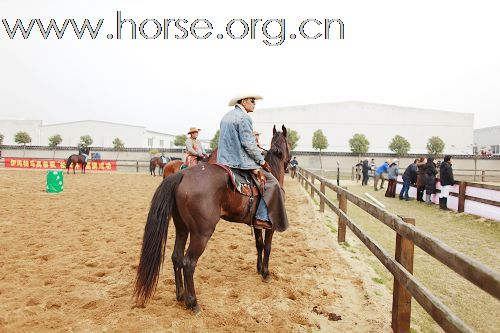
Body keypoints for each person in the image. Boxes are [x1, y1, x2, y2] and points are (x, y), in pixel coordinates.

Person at [217, 93, 288, 230]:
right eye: (252, 101)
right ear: (243, 101)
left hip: (223, 160)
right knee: (273, 184)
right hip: (239, 161)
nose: (254, 103)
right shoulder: (244, 118)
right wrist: (261, 162)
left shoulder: (226, 116)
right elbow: (248, 145)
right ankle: (261, 217)